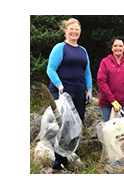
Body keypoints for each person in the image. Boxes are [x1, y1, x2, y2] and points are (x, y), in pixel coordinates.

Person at [46, 18, 92, 170]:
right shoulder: (60, 48)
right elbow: (50, 68)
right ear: (65, 30)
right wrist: (59, 85)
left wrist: (89, 89)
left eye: (77, 29)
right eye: (71, 29)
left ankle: (70, 153)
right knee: (62, 125)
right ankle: (59, 161)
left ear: (80, 31)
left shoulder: (83, 50)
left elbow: (87, 72)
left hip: (79, 92)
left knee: (76, 123)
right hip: (62, 92)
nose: (74, 32)